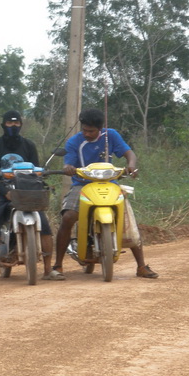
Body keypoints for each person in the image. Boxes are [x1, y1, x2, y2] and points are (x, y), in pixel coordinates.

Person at [51, 108, 159, 279]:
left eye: (91, 131)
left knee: (128, 220)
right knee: (68, 217)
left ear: (100, 129)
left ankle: (141, 266)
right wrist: (68, 168)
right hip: (82, 185)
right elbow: (68, 162)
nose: (87, 134)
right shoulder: (74, 142)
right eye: (84, 130)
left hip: (110, 183)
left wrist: (131, 165)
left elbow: (129, 153)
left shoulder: (111, 136)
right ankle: (57, 266)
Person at [0, 110, 63, 283]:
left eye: (16, 123)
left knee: (46, 227)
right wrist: (5, 192)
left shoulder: (29, 145)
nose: (13, 126)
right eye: (10, 123)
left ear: (21, 125)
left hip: (27, 190)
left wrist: (40, 180)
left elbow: (36, 171)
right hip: (2, 191)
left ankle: (49, 269)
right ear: (3, 125)